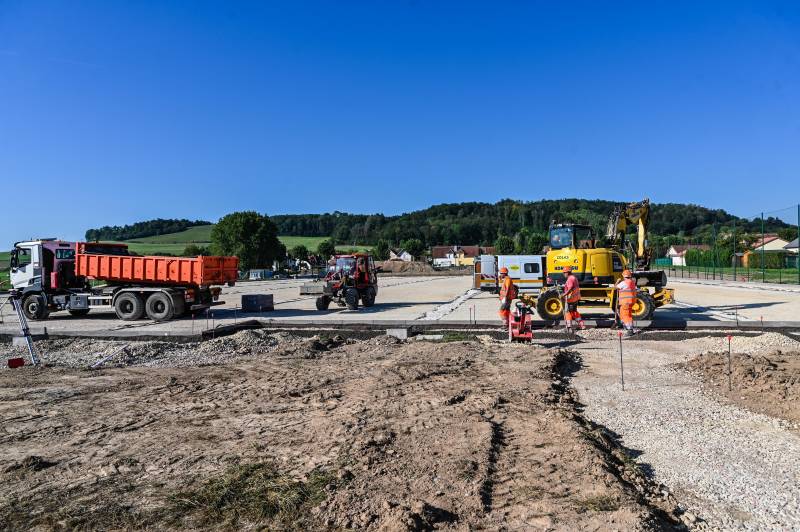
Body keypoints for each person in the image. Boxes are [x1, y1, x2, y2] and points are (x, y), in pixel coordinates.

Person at [562, 266, 585, 331]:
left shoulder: (570, 279)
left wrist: (563, 295)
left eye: (564, 272)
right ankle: (582, 325)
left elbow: (570, 288)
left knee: (568, 312)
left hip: (571, 299)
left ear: (567, 272)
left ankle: (569, 327)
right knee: (574, 312)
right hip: (575, 298)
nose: (564, 274)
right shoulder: (574, 277)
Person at [616, 269, 638, 336]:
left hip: (625, 302)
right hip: (631, 302)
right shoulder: (632, 282)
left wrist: (617, 281)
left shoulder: (623, 283)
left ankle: (630, 330)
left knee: (626, 316)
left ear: (623, 276)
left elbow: (616, 287)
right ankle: (625, 326)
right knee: (624, 314)